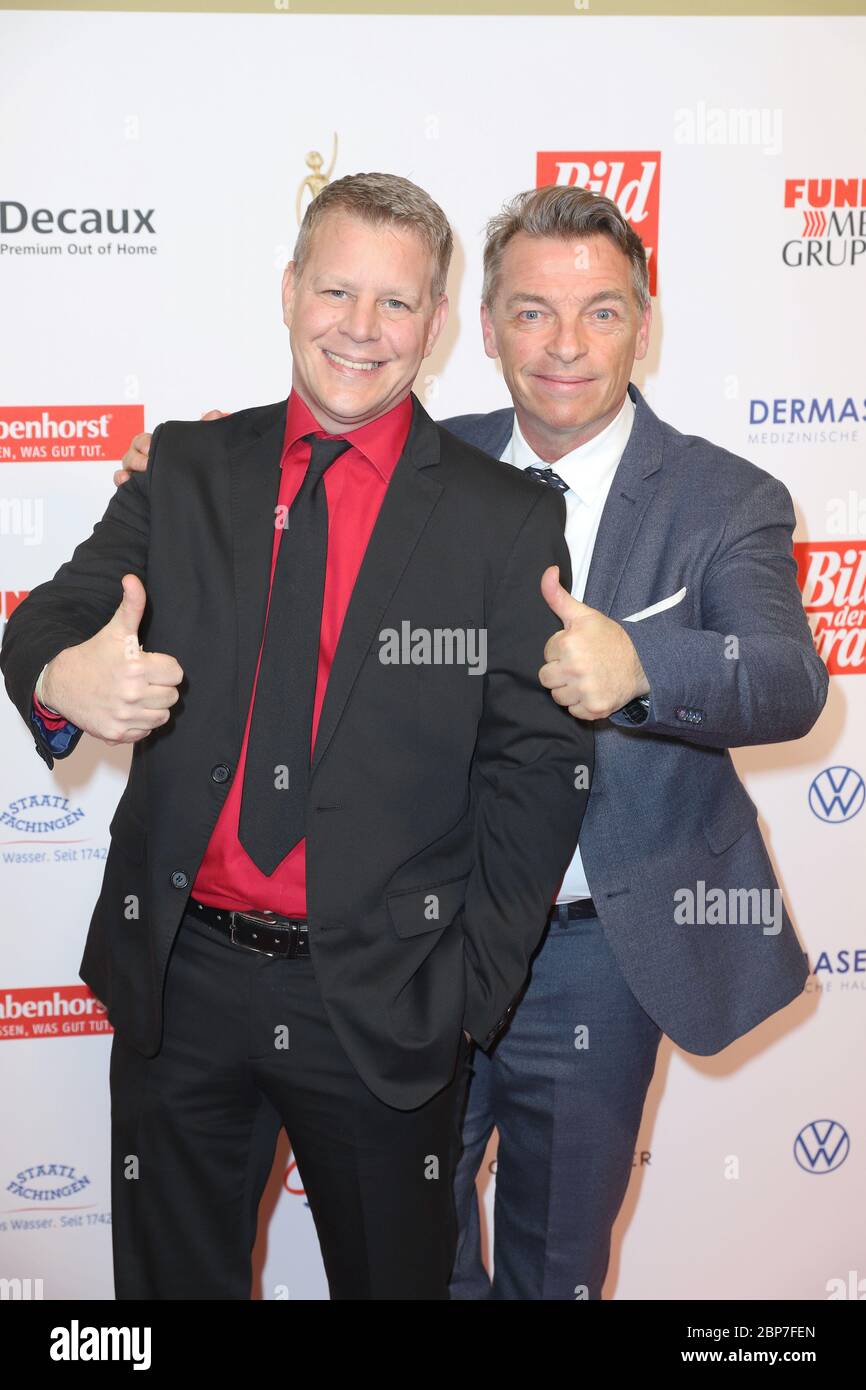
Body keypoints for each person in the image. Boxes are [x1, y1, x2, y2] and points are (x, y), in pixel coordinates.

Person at [111, 184, 829, 1301]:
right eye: (530, 311)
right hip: (406, 952)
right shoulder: (419, 458)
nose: (562, 344)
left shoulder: (720, 500)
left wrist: (642, 670)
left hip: (597, 955)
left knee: (553, 1267)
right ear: (480, 327)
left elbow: (785, 679)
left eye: (598, 311)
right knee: (414, 1262)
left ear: (643, 323)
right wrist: (176, 491)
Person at [0, 172, 593, 1301]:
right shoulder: (185, 469)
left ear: (433, 320)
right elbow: (56, 619)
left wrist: (469, 988)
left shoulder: (503, 514)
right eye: (335, 290)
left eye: (396, 302)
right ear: (286, 292)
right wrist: (65, 675)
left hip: (384, 1000)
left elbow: (537, 766)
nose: (360, 329)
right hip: (184, 981)